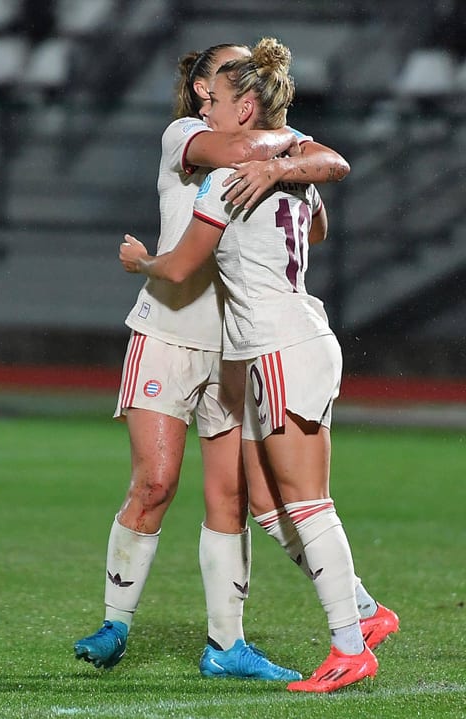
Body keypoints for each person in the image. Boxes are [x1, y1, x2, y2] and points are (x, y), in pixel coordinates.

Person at [74, 42, 397, 674]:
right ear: (204, 90)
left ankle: (230, 645)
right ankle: (116, 621)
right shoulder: (190, 134)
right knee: (156, 482)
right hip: (168, 330)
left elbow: (319, 168)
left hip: (237, 342)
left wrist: (291, 158)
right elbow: (270, 155)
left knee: (240, 500)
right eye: (224, 72)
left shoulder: (258, 150)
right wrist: (294, 153)